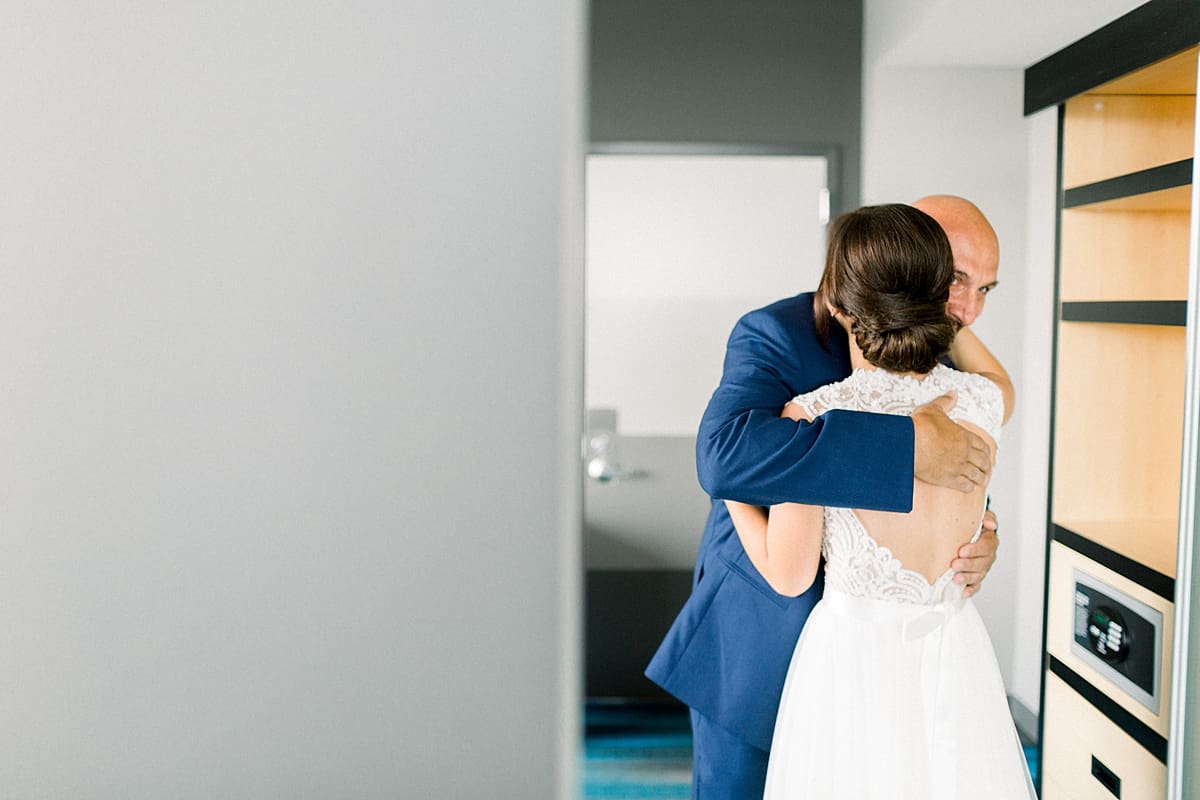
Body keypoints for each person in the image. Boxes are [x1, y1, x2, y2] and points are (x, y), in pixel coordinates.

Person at [645, 195, 1004, 799]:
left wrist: (981, 535)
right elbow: (723, 455)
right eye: (956, 279)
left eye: (986, 290)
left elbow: (961, 468)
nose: (966, 310)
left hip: (896, 671)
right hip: (762, 648)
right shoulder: (776, 333)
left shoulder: (942, 350)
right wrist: (904, 446)